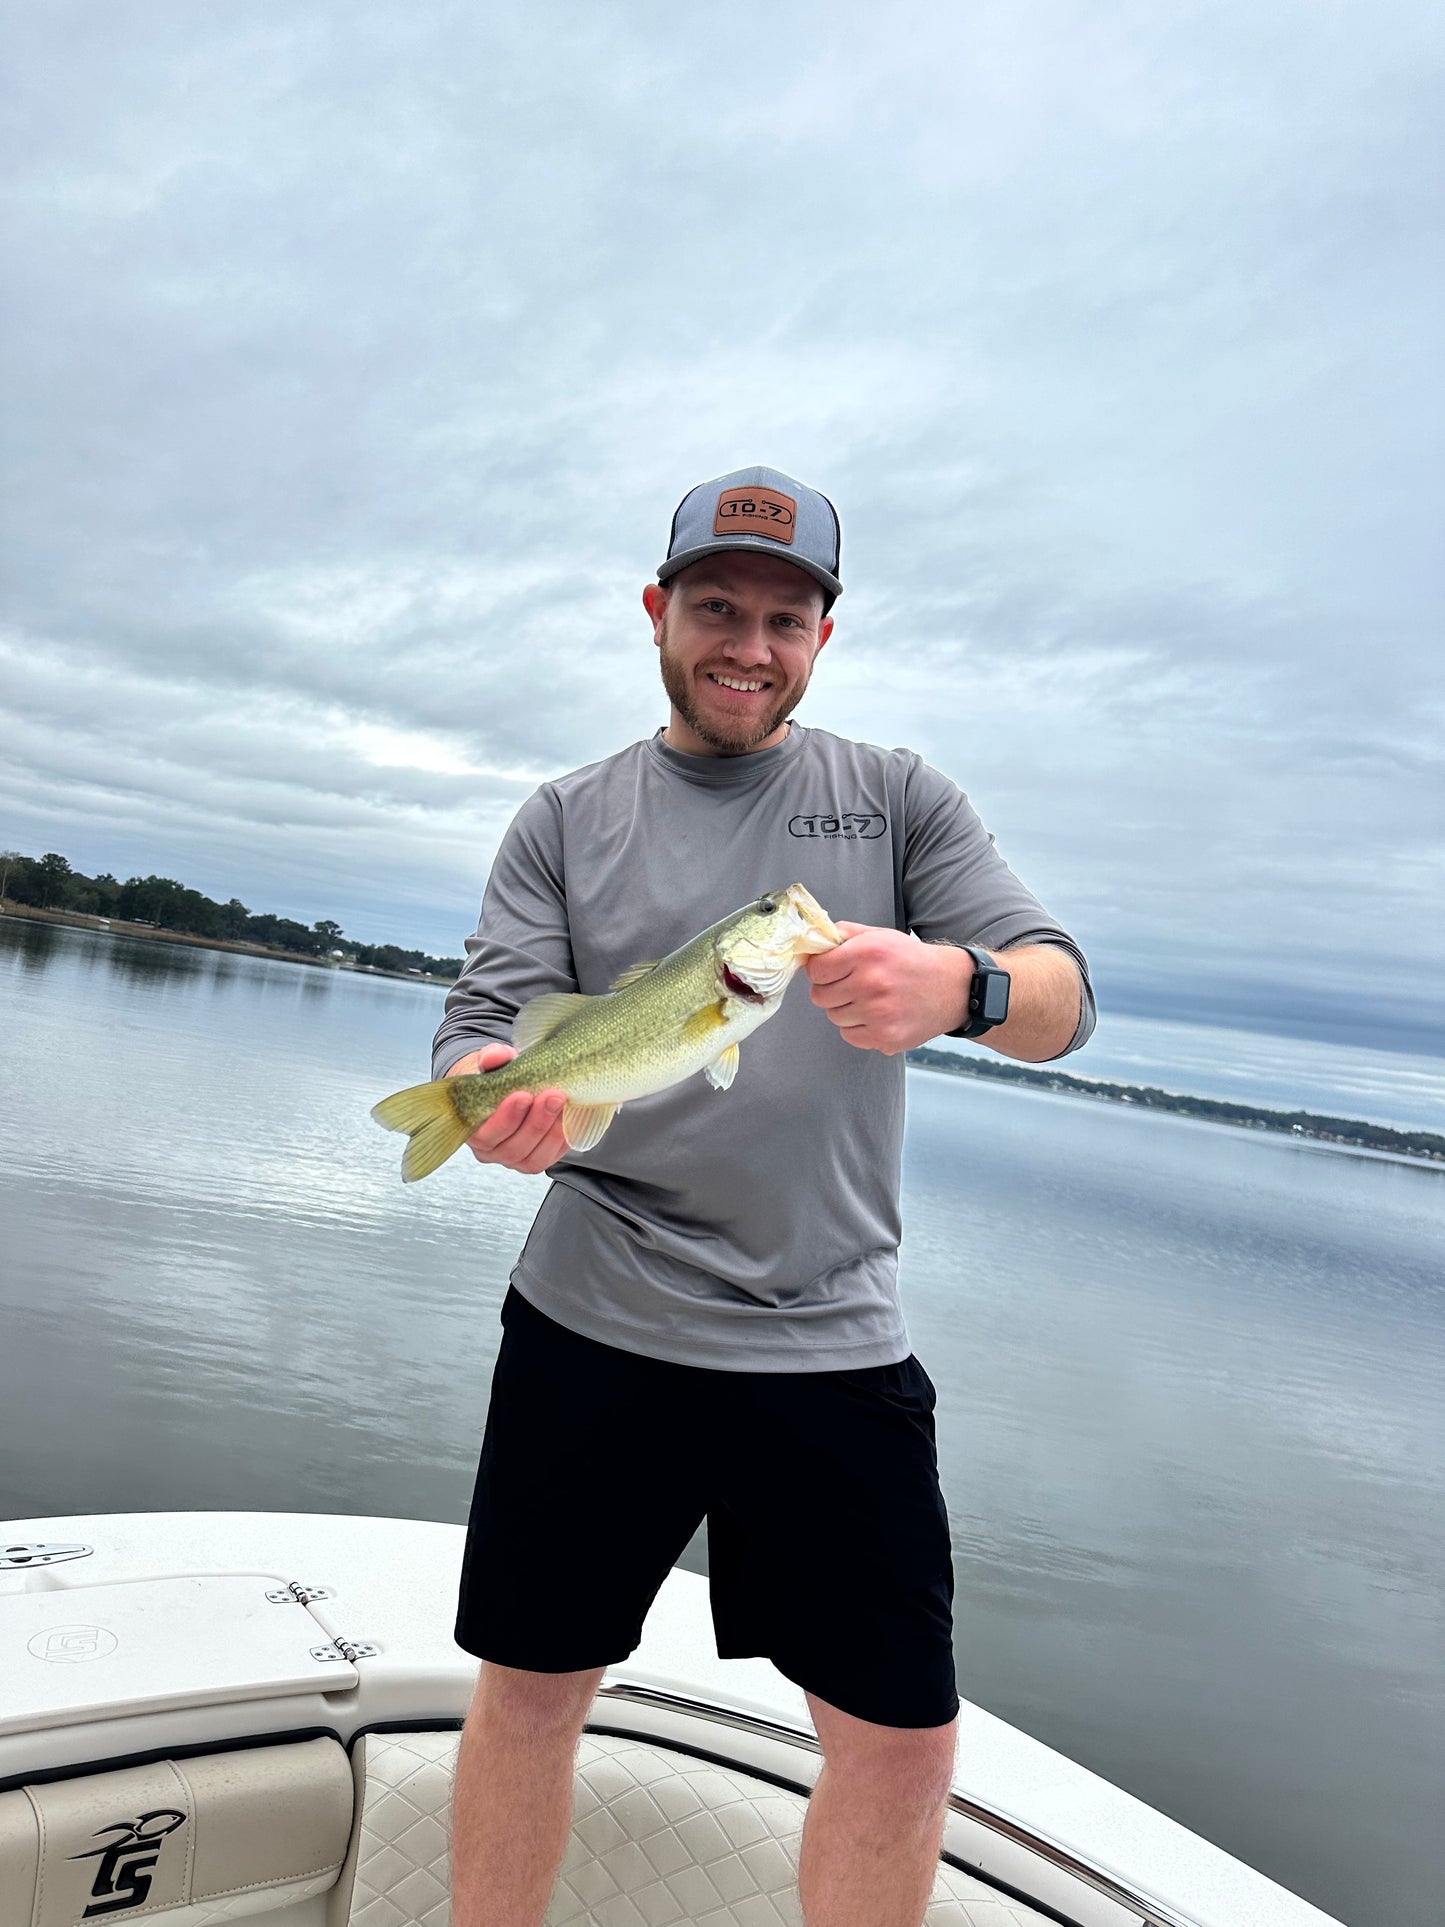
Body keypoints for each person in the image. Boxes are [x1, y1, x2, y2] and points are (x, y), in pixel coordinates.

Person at [434, 466, 1095, 1927]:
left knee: (902, 1737)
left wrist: (963, 985)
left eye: (783, 618)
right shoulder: (564, 816)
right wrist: (492, 1097)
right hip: (590, 1319)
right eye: (717, 607)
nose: (747, 643)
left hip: (830, 1338)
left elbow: (1061, 1002)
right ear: (658, 611)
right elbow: (487, 1018)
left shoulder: (900, 799)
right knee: (532, 1690)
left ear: (821, 639)